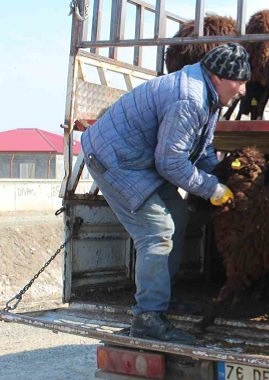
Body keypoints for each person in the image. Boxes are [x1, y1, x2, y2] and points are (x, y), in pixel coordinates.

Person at [80, 43, 251, 343]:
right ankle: (148, 316)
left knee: (179, 216)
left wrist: (220, 174)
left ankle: (162, 299)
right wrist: (212, 188)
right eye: (240, 82)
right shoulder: (190, 98)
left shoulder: (205, 94)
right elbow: (170, 162)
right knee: (158, 230)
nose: (243, 91)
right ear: (219, 77)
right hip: (115, 159)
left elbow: (199, 146)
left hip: (138, 159)